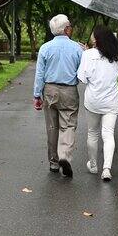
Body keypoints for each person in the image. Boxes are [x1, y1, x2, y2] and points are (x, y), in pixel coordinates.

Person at [33, 14, 83, 178]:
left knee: (52, 127)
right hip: (69, 90)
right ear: (66, 29)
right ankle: (64, 156)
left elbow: (40, 74)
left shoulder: (45, 48)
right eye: (70, 25)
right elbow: (83, 72)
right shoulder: (77, 48)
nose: (71, 28)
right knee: (68, 125)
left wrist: (36, 95)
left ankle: (54, 163)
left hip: (50, 90)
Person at [77, 25, 118, 181]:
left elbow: (82, 77)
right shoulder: (115, 56)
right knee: (108, 134)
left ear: (96, 38)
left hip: (93, 101)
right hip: (111, 101)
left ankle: (94, 165)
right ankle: (107, 169)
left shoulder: (88, 55)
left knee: (93, 133)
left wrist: (86, 53)